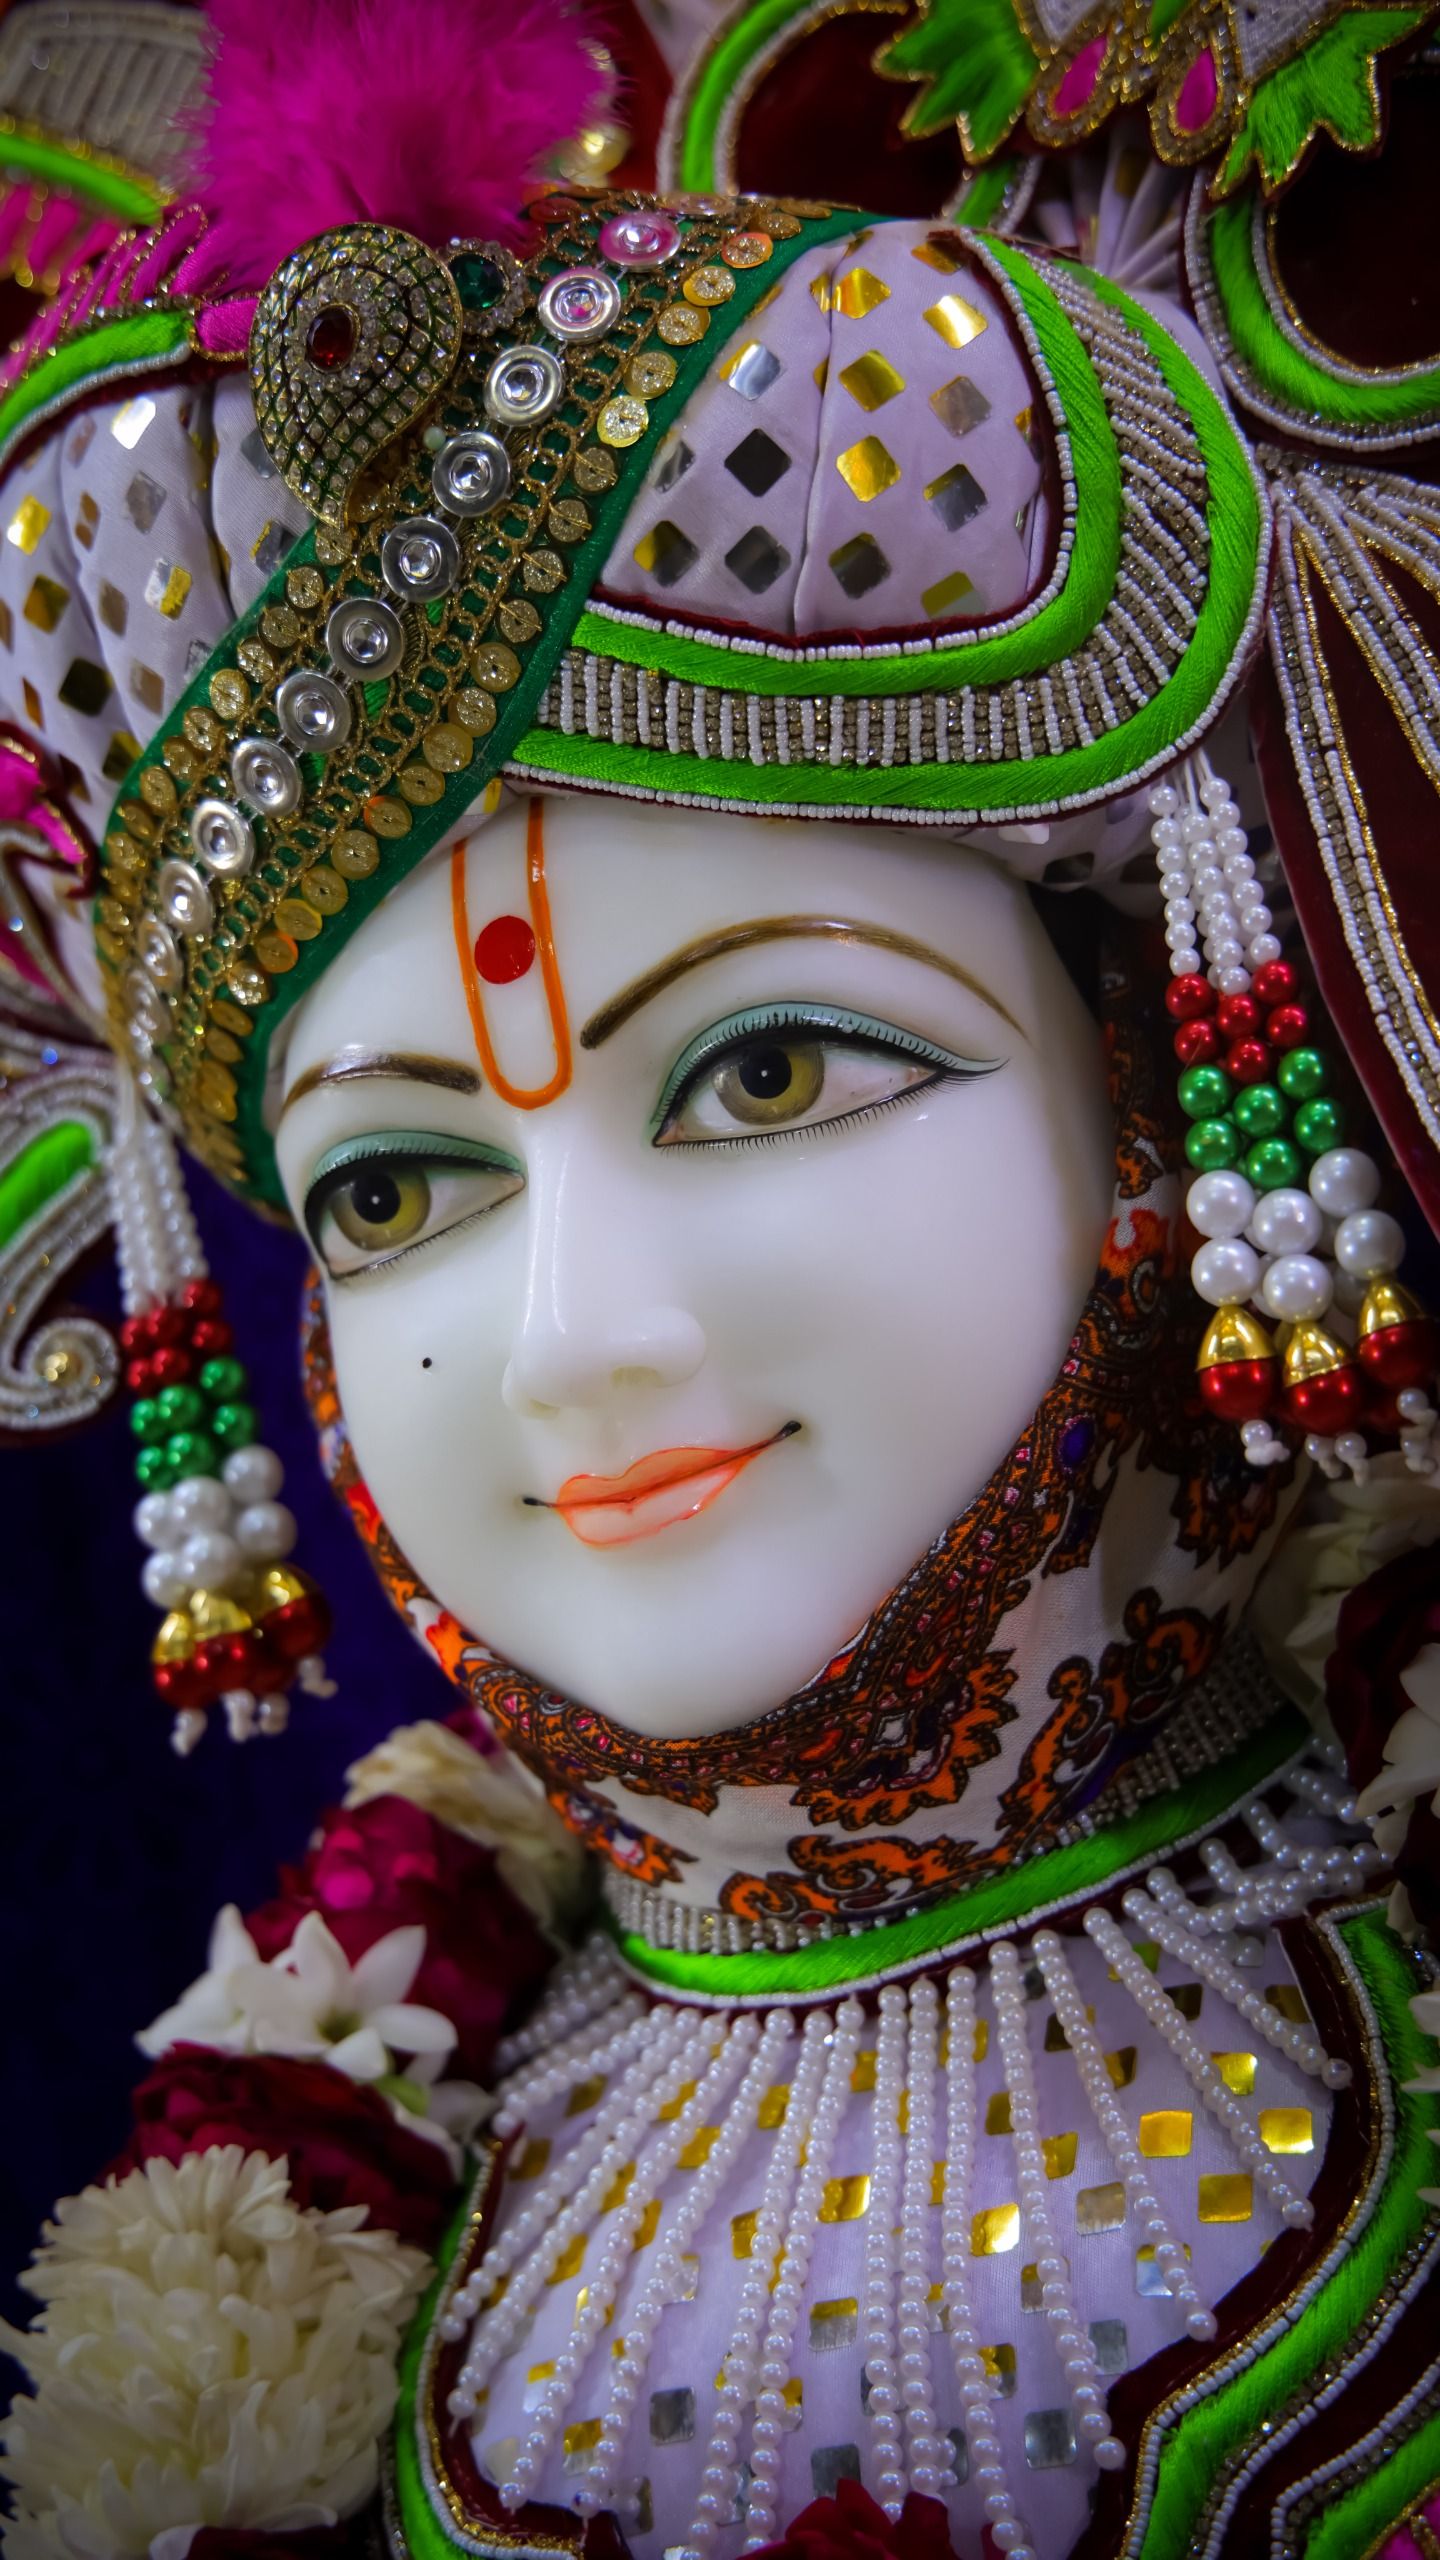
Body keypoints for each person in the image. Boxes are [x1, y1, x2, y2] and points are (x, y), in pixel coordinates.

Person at [1, 0, 1439, 2552]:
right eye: (395, 1190)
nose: (577, 1341)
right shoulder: (369, 2133)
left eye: (768, 1073)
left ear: (1151, 1073)